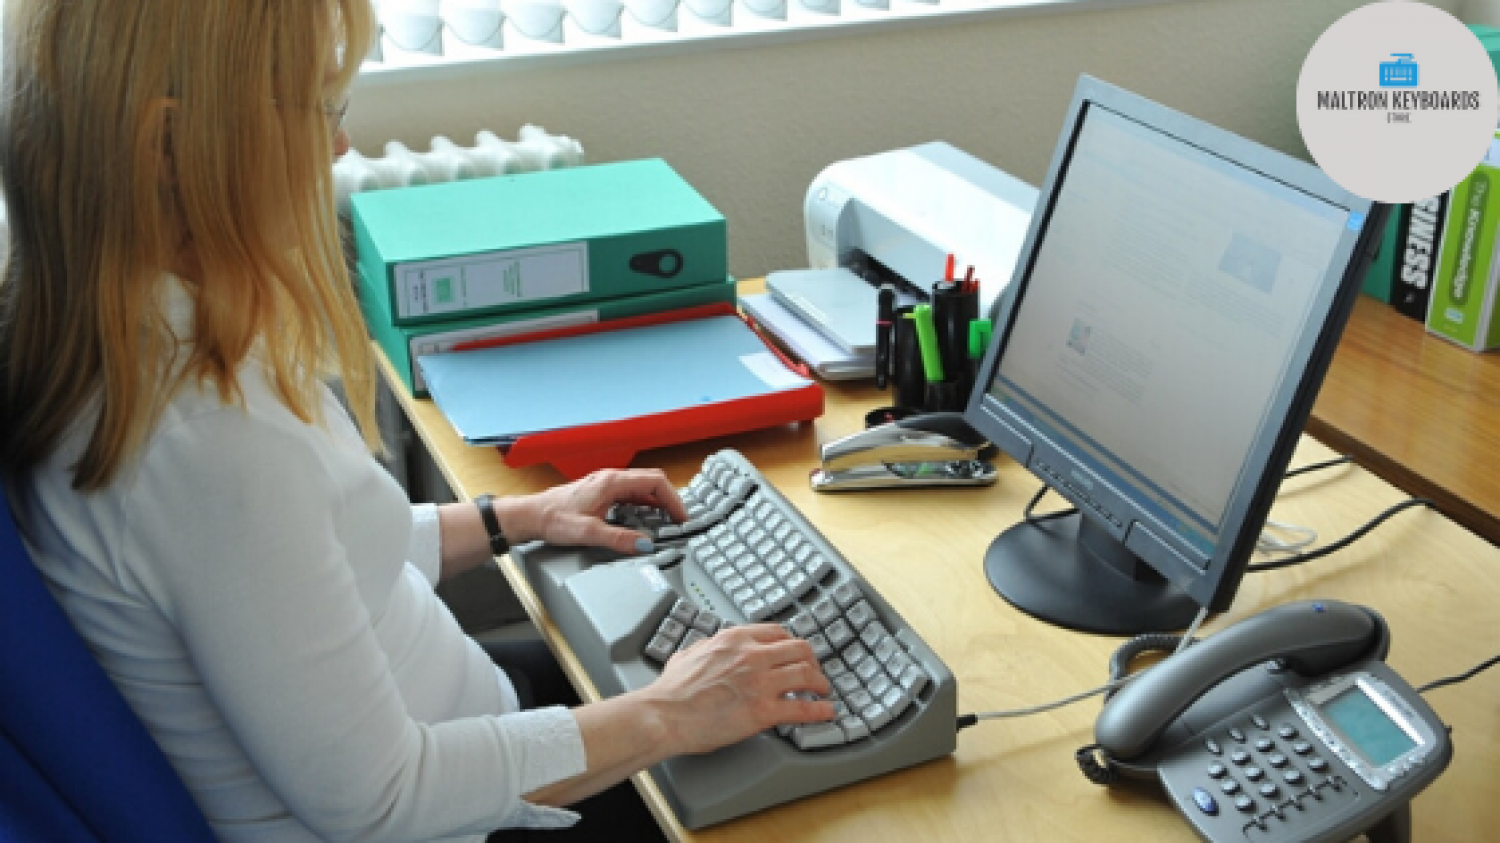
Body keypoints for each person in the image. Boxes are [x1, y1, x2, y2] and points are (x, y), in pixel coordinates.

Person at [0, 1, 835, 841]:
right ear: (168, 146)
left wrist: (518, 517)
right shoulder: (207, 443)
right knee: (833, 796)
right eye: (315, 107)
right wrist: (669, 714)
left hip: (449, 735)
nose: (337, 148)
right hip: (440, 811)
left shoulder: (127, 346)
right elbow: (383, 799)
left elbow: (310, 559)